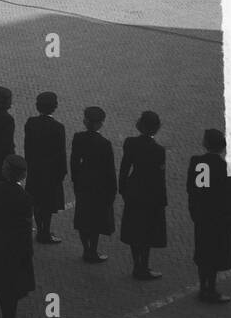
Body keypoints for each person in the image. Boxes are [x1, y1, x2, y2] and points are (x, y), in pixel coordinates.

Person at [0, 154, 35, 318]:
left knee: (2, 283)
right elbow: (25, 229)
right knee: (13, 285)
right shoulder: (24, 198)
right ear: (22, 175)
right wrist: (28, 252)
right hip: (16, 247)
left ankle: (7, 315)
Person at [187, 129, 231, 304]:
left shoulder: (200, 164)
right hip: (219, 219)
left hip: (203, 217)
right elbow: (230, 199)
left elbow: (196, 191)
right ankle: (211, 289)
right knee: (215, 254)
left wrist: (195, 212)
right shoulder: (225, 168)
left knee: (203, 253)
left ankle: (203, 288)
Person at [119, 110, 167, 281]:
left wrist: (123, 189)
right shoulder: (158, 150)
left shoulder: (130, 143)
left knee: (134, 229)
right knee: (147, 232)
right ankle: (143, 266)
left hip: (134, 189)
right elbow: (159, 178)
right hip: (150, 194)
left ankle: (136, 265)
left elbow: (124, 168)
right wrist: (162, 200)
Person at [70, 106, 116, 263]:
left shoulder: (78, 138)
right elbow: (110, 170)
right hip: (99, 185)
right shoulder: (104, 144)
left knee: (83, 217)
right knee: (95, 220)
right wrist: (112, 191)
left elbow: (74, 162)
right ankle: (93, 250)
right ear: (100, 124)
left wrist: (76, 180)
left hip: (83, 182)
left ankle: (86, 249)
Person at [24, 91, 67, 244]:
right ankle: (45, 232)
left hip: (35, 169)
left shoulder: (31, 122)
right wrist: (62, 173)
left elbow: (27, 147)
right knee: (48, 204)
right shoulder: (58, 127)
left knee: (36, 201)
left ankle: (40, 229)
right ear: (54, 107)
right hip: (50, 172)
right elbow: (60, 153)